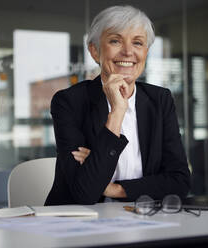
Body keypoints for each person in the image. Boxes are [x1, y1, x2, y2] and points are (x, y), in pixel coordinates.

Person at [45, 5, 190, 205]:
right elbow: (84, 193)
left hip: (142, 219)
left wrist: (114, 188)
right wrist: (117, 111)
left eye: (138, 43)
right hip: (79, 223)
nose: (128, 52)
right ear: (95, 51)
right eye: (115, 41)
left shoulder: (160, 99)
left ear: (146, 52)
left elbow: (180, 182)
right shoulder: (69, 102)